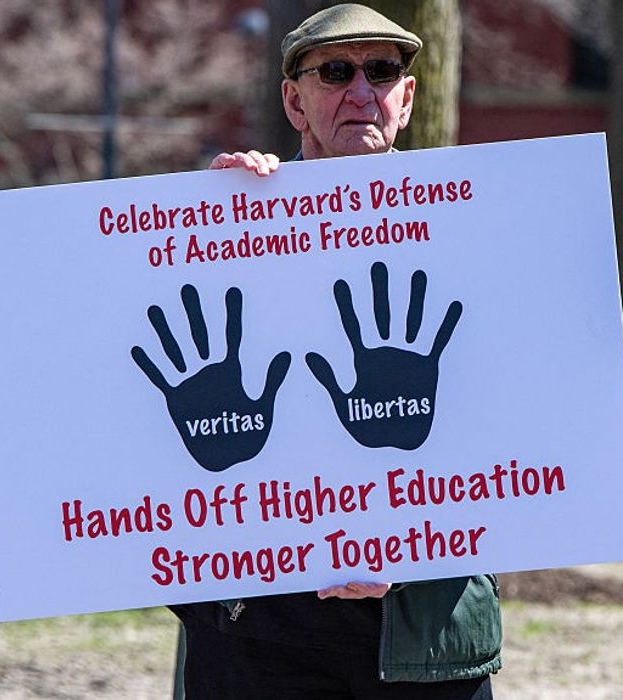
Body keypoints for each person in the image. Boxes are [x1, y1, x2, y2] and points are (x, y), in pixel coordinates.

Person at [170, 5, 501, 700]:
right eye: (334, 72)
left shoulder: (472, 238)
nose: (360, 91)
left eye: (381, 71)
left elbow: (527, 443)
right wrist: (214, 228)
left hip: (422, 638)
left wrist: (420, 542)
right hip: (253, 635)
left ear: (406, 98)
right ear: (294, 100)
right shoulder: (233, 222)